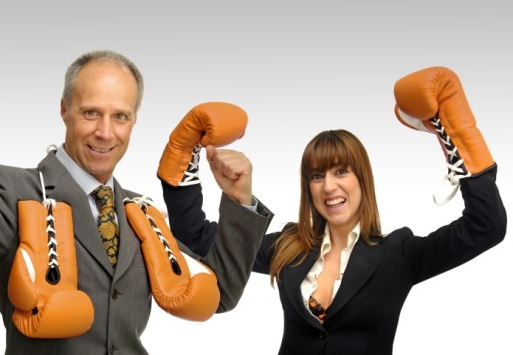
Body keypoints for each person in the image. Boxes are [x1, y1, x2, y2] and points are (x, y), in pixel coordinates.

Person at [0, 51, 273, 355]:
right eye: (91, 112)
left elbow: (215, 293)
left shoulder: (141, 213)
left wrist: (238, 200)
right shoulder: (15, 191)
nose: (105, 132)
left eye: (119, 116)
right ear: (64, 110)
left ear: (133, 122)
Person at [160, 66, 507, 354]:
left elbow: (486, 226)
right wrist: (185, 157)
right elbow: (197, 236)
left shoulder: (399, 254)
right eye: (316, 175)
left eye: (341, 171)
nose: (328, 186)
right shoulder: (288, 246)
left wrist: (457, 140)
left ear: (362, 180)